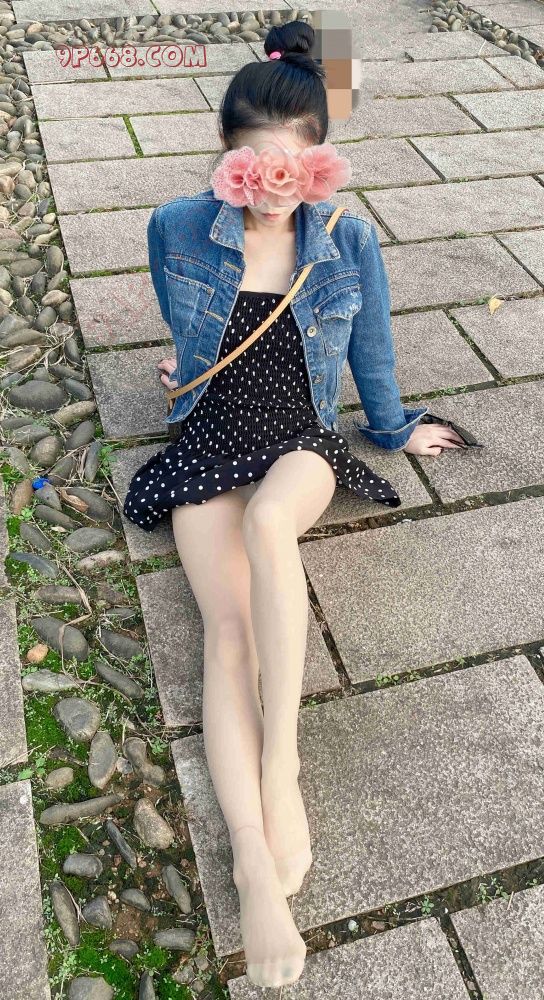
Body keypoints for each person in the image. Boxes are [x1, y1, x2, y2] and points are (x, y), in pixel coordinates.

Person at [123, 20, 469, 989]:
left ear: (318, 158)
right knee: (224, 634)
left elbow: (372, 347)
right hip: (209, 437)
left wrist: (393, 427)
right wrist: (184, 369)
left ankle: (284, 771)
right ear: (225, 153)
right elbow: (184, 318)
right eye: (254, 166)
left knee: (272, 521)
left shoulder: (347, 236)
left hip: (300, 440)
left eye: (294, 166)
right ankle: (248, 856)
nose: (275, 187)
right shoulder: (175, 225)